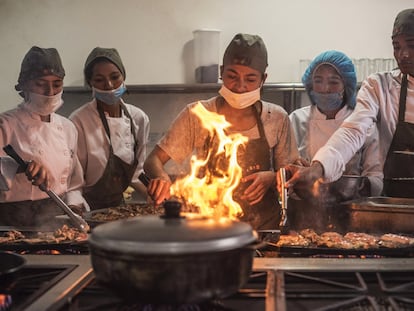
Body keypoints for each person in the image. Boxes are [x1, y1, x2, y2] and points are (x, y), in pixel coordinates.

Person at [144, 33, 299, 230]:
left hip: (261, 232)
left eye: (250, 79)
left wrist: (271, 177)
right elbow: (153, 160)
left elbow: (291, 177)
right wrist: (161, 178)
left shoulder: (276, 118)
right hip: (208, 228)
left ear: (263, 79)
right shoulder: (198, 114)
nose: (240, 87)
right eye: (232, 76)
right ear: (221, 71)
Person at [286, 9, 414, 199]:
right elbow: (353, 131)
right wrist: (318, 168)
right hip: (395, 206)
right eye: (396, 46)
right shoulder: (380, 86)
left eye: (411, 45)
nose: (402, 54)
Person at [288, 51, 383, 230]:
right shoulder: (296, 120)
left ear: (346, 85)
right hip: (302, 216)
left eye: (333, 82)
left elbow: (376, 178)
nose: (325, 88)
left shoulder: (361, 124)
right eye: (318, 81)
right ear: (310, 83)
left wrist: (357, 187)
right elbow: (286, 171)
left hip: (354, 219)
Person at [0, 46, 88, 227]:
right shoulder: (6, 124)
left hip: (54, 219)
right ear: (24, 85)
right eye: (41, 83)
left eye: (57, 84)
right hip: (11, 222)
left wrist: (74, 206)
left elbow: (73, 183)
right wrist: (18, 166)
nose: (50, 92)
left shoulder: (68, 127)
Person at [70, 47, 150, 210]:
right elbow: (74, 183)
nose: (109, 85)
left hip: (119, 208)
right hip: (86, 209)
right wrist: (79, 212)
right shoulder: (79, 121)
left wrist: (153, 195)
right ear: (90, 82)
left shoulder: (138, 118)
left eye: (115, 77)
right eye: (99, 80)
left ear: (123, 76)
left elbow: (136, 175)